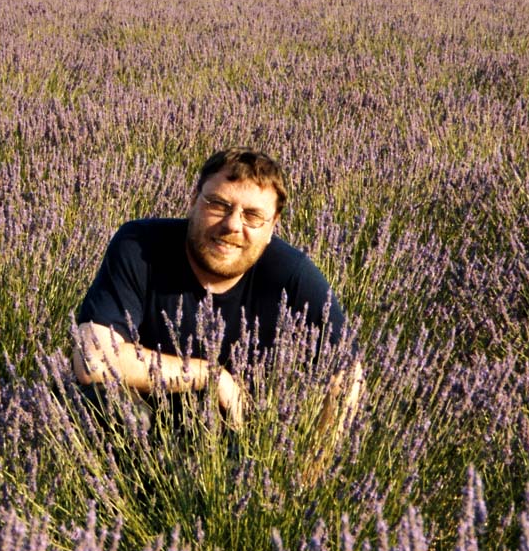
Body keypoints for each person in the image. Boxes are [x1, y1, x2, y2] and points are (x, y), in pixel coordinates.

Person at [72, 147, 361, 432]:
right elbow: (92, 358)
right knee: (104, 404)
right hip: (140, 421)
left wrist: (316, 466)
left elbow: (347, 372)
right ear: (193, 201)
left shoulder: (292, 275)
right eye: (218, 205)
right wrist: (208, 374)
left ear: (273, 226)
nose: (232, 224)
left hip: (236, 434)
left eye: (252, 216)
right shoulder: (139, 246)